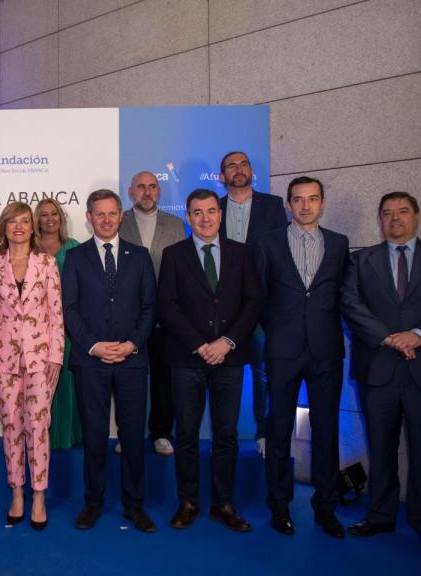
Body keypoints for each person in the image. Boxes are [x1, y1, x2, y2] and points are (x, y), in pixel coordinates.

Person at [340, 192, 421, 555]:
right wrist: (388, 339)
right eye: (386, 213)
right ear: (380, 220)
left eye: (402, 212)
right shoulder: (360, 261)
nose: (394, 218)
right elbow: (350, 302)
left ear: (416, 215)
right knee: (380, 449)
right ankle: (380, 515)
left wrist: (418, 336)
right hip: (379, 369)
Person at [157, 188, 261, 532]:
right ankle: (187, 502)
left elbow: (253, 302)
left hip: (229, 359)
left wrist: (227, 342)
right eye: (197, 212)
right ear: (188, 217)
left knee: (226, 435)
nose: (205, 218)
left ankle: (223, 503)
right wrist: (201, 344)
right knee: (185, 434)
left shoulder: (243, 254)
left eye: (211, 211)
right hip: (187, 359)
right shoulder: (174, 255)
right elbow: (167, 306)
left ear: (220, 214)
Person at [254, 176, 349, 537]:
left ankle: (326, 507)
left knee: (326, 430)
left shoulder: (339, 245)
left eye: (312, 199)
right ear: (288, 205)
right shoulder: (268, 244)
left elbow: (342, 295)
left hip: (326, 351)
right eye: (298, 199)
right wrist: (278, 331)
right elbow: (259, 297)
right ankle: (279, 504)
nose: (305, 206)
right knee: (278, 429)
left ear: (322, 202)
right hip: (283, 351)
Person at [62, 189, 157, 533]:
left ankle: (135, 505)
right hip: (91, 362)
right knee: (95, 434)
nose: (105, 220)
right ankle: (93, 502)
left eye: (112, 213)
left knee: (133, 436)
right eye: (98, 214)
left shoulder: (140, 255)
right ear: (89, 217)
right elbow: (68, 310)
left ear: (121, 216)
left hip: (132, 360)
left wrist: (131, 343)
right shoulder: (75, 258)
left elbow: (150, 308)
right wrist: (93, 346)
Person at [0, 202, 64, 530]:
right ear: (4, 227)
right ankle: (17, 493)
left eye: (24, 221)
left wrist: (56, 356)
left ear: (32, 228)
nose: (18, 227)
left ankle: (39, 495)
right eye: (12, 221)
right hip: (4, 362)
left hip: (41, 360)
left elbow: (56, 315)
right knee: (12, 427)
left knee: (38, 428)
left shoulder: (47, 264)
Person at [218, 151, 286, 456]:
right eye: (231, 166)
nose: (238, 169)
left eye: (244, 163)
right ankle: (223, 436)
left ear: (251, 171)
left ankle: (264, 431)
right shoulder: (213, 209)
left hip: (262, 304)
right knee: (220, 373)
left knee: (263, 369)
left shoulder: (272, 206)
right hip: (222, 306)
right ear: (223, 176)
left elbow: (281, 255)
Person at [118, 171, 186, 456]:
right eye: (141, 187)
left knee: (163, 379)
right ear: (131, 192)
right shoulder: (119, 221)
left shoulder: (176, 225)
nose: (147, 192)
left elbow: (182, 271)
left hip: (165, 318)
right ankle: (127, 433)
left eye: (153, 187)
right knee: (127, 382)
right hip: (127, 316)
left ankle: (161, 432)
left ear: (159, 191)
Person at [35, 198, 82, 449]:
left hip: (67, 329)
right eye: (44, 215)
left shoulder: (73, 247)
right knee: (37, 383)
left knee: (64, 381)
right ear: (36, 219)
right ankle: (37, 436)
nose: (50, 219)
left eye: (55, 214)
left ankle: (65, 437)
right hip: (33, 330)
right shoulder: (28, 248)